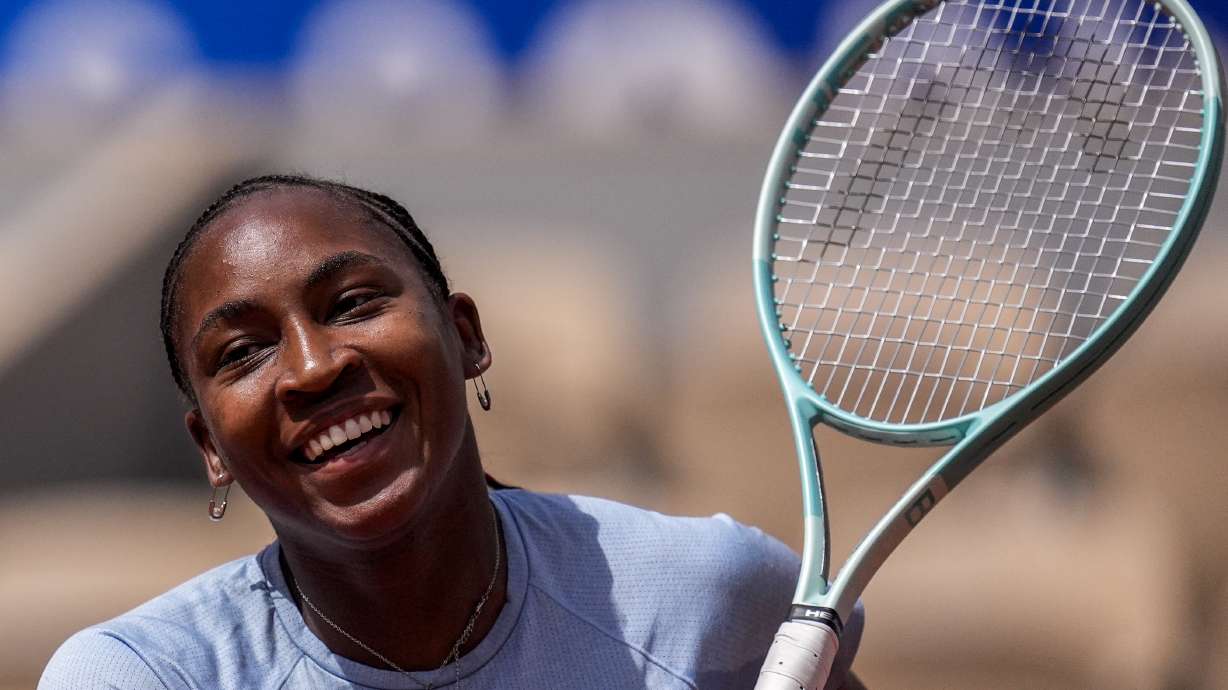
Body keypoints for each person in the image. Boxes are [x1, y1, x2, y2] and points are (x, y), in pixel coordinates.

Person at [39, 175, 864, 689]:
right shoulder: (140, 677)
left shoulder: (712, 596)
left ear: (464, 336)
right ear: (211, 446)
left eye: (354, 304)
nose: (313, 368)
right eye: (244, 351)